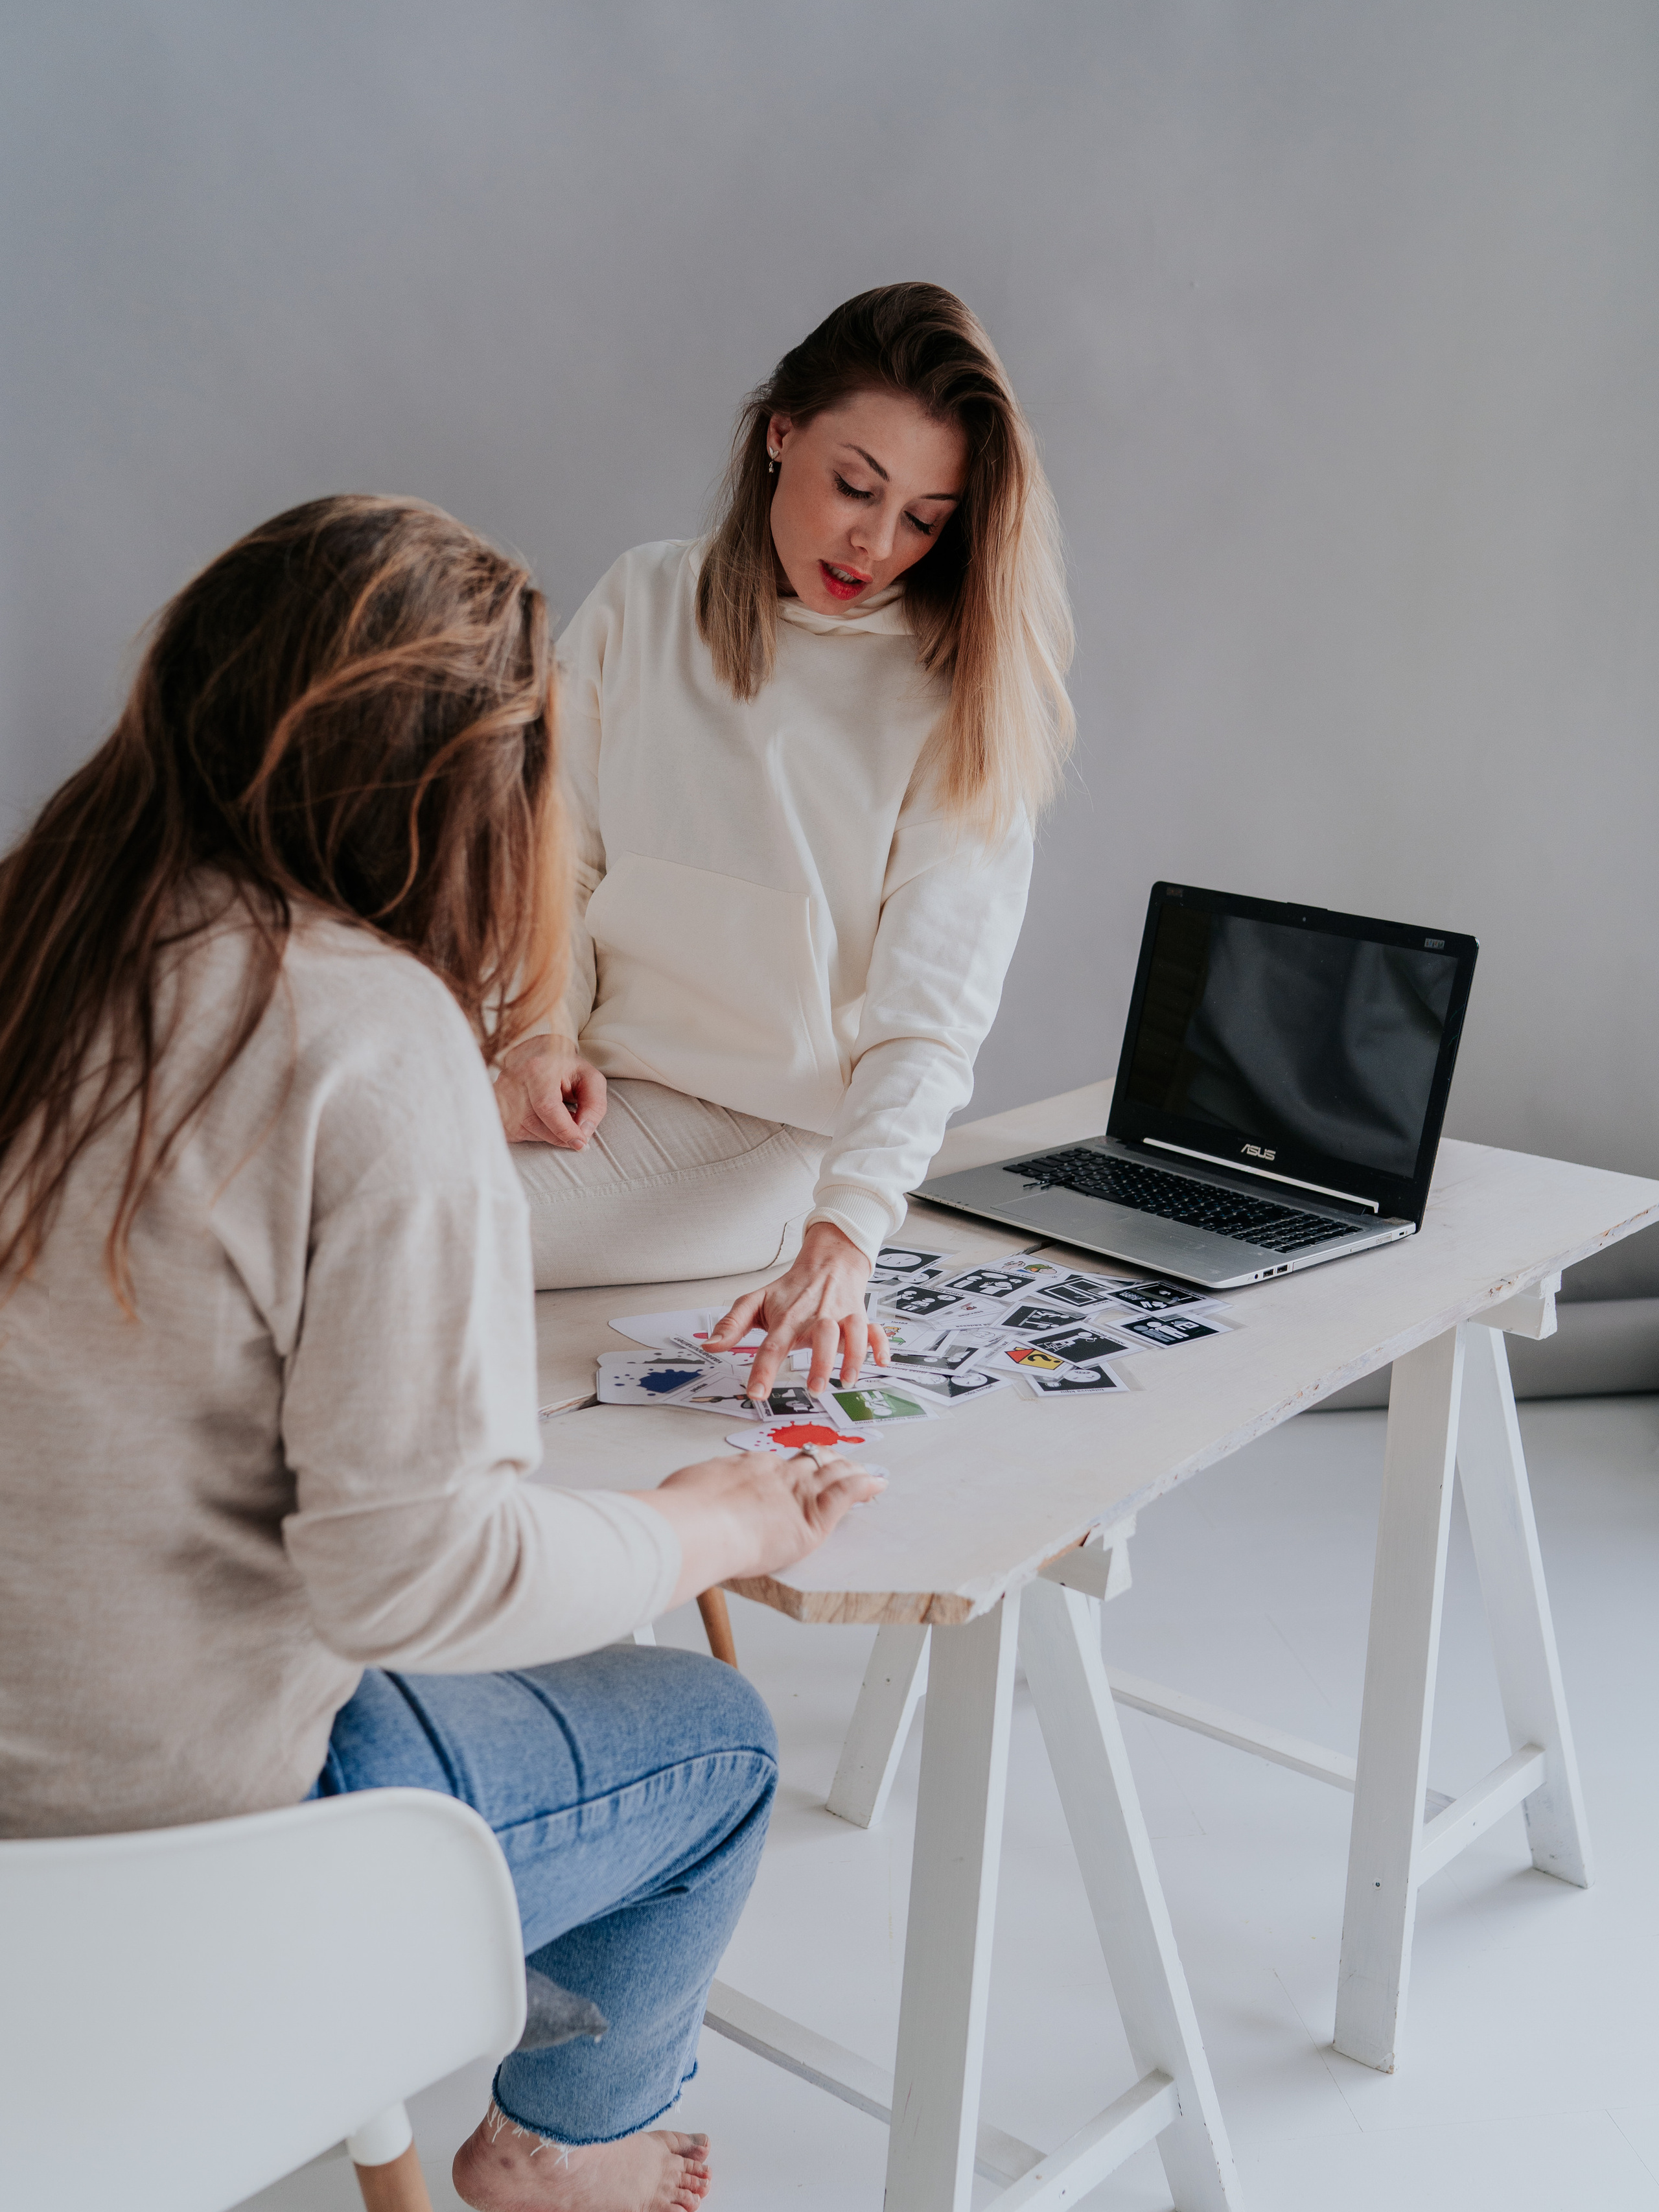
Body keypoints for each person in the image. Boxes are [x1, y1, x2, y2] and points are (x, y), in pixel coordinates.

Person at [0, 496, 880, 2212]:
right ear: (470, 789)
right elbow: (423, 1573)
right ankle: (564, 2143)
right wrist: (718, 1524)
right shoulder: (365, 1033)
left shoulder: (47, 927)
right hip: (162, 1858)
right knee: (720, 1741)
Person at [498, 282, 1075, 1405]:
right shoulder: (643, 599)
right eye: (855, 485)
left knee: (371, 1223)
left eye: (924, 516)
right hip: (583, 1079)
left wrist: (847, 1237)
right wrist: (533, 1031)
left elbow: (927, 1021)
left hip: (757, 1136)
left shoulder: (954, 695)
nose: (876, 539)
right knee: (281, 1132)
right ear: (779, 432)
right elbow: (554, 860)